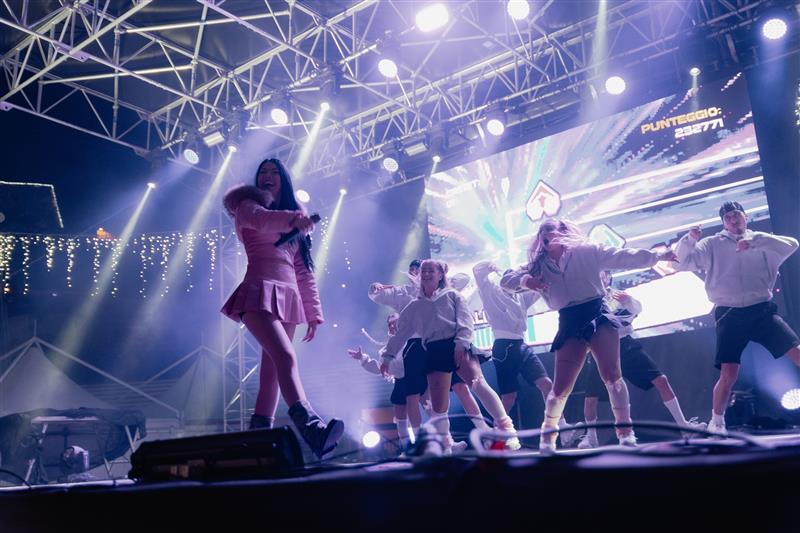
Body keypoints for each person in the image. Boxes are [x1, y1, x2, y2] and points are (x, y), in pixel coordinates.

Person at [501, 218, 677, 452]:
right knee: (560, 389)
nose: (544, 235)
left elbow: (624, 256)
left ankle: (626, 433)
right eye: (541, 232)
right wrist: (528, 281)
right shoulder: (537, 265)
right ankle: (548, 438)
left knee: (613, 378)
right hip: (568, 320)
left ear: (561, 232)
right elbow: (506, 281)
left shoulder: (586, 251)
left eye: (549, 230)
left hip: (596, 313)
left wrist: (658, 256)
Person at [221, 158, 343, 459]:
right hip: (259, 291)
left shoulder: (294, 223)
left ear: (284, 180)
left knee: (272, 376)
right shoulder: (246, 205)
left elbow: (303, 272)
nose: (267, 176)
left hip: (288, 299)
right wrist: (294, 219)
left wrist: (313, 314)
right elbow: (263, 220)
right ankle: (312, 428)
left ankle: (257, 443)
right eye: (262, 171)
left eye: (274, 172)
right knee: (285, 356)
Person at [675, 201, 800, 436]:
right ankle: (717, 422)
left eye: (737, 215)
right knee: (729, 372)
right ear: (723, 222)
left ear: (745, 217)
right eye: (728, 217)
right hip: (729, 312)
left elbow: (792, 244)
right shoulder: (712, 243)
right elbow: (682, 262)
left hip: (761, 310)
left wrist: (754, 242)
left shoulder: (762, 239)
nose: (733, 220)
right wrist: (689, 239)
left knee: (797, 352)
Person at [381, 259, 519, 454]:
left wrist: (461, 344)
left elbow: (465, 322)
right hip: (433, 350)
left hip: (457, 345)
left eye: (432, 270)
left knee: (478, 383)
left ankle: (507, 431)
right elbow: (401, 333)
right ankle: (446, 446)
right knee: (438, 405)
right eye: (424, 271)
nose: (427, 274)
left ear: (440, 274)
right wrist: (387, 357)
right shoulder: (414, 306)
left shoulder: (453, 295)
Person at [578, 271, 706, 448]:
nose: (601, 277)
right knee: (590, 398)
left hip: (625, 345)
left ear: (608, 277)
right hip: (601, 350)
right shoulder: (585, 299)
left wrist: (628, 301)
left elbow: (637, 309)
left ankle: (684, 426)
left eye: (605, 274)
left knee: (661, 380)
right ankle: (591, 437)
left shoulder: (618, 295)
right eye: (598, 274)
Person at [472, 260, 577, 446]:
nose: (514, 283)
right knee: (508, 397)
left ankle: (560, 426)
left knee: (546, 384)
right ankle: (497, 436)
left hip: (521, 344)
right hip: (504, 346)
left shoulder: (520, 297)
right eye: (510, 280)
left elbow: (538, 290)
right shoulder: (492, 293)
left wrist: (544, 273)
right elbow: (479, 275)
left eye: (516, 280)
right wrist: (489, 266)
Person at [367, 260, 429, 439]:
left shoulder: (433, 289)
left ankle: (446, 441)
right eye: (412, 270)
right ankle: (417, 443)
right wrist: (375, 288)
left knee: (431, 396)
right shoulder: (401, 292)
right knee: (413, 398)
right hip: (413, 345)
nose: (415, 273)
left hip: (433, 343)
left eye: (419, 270)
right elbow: (377, 295)